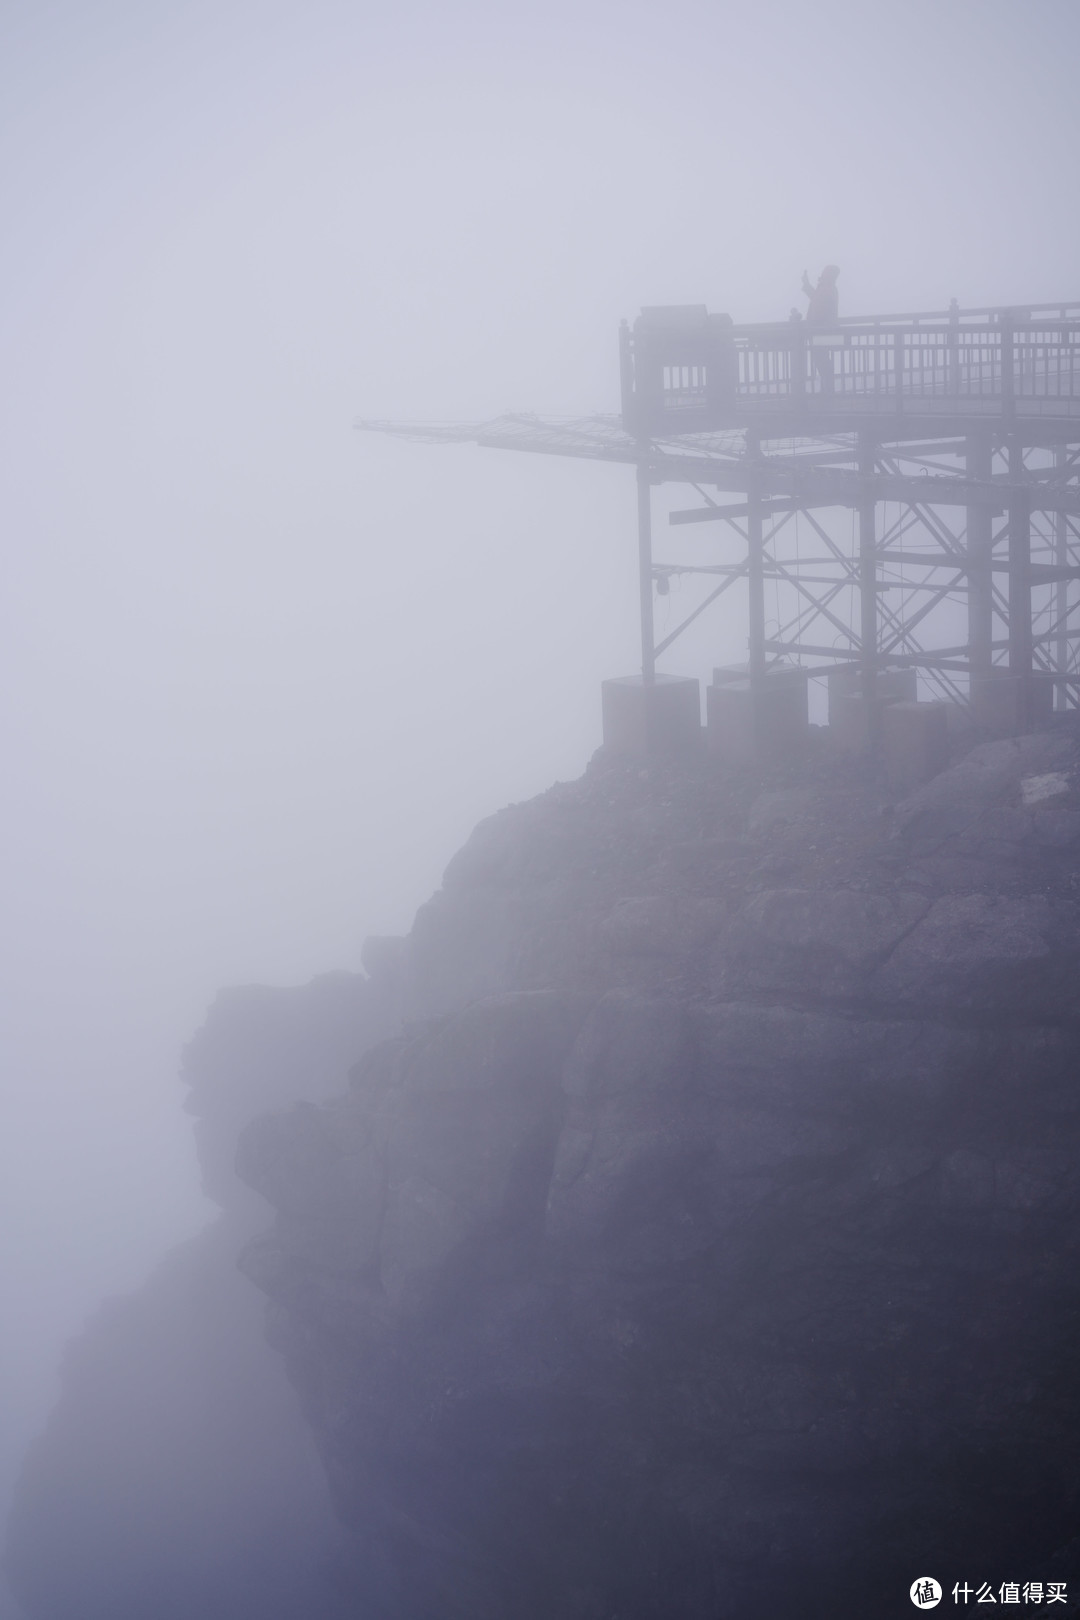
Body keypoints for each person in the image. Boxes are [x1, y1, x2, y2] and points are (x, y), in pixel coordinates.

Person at [801, 264, 840, 393]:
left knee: (821, 360)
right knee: (822, 360)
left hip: (820, 331)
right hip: (821, 331)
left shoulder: (827, 289)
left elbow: (819, 308)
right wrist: (806, 285)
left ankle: (828, 390)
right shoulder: (828, 288)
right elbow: (817, 300)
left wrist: (811, 326)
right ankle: (827, 389)